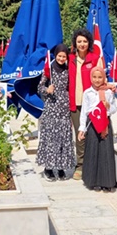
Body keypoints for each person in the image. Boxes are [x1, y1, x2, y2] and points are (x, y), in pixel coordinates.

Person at [37, 44, 76, 181]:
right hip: (51, 107)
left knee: (63, 138)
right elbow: (40, 87)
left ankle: (60, 167)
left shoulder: (68, 69)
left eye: (64, 56)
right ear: (55, 55)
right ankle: (48, 168)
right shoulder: (49, 70)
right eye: (59, 56)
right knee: (50, 138)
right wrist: (47, 90)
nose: (61, 58)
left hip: (64, 108)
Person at [68, 28, 103, 180]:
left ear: (89, 42)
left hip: (92, 104)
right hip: (75, 103)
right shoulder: (69, 59)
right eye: (79, 41)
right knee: (80, 134)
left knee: (94, 134)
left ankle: (94, 165)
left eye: (84, 41)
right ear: (75, 43)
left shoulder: (95, 58)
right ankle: (80, 165)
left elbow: (102, 78)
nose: (82, 44)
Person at [78, 66, 117, 192]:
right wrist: (82, 128)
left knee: (105, 152)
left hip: (105, 124)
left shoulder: (109, 92)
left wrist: (108, 106)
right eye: (94, 77)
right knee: (93, 151)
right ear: (90, 78)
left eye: (100, 77)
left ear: (104, 78)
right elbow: (84, 111)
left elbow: (114, 109)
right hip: (92, 124)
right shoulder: (87, 92)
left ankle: (106, 182)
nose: (97, 80)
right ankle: (93, 181)